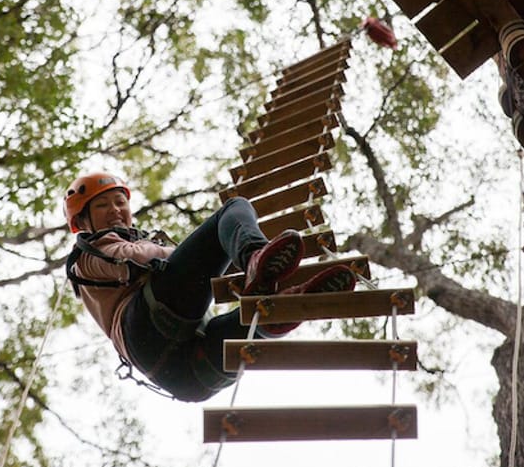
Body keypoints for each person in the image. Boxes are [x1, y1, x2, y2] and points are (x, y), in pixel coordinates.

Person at [65, 171, 355, 402]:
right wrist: (193, 250)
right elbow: (131, 261)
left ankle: (285, 309)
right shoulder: (85, 256)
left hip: (189, 378)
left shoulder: (133, 243)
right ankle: (253, 255)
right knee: (235, 208)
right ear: (82, 220)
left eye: (120, 202)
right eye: (102, 205)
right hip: (147, 329)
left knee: (259, 314)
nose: (115, 210)